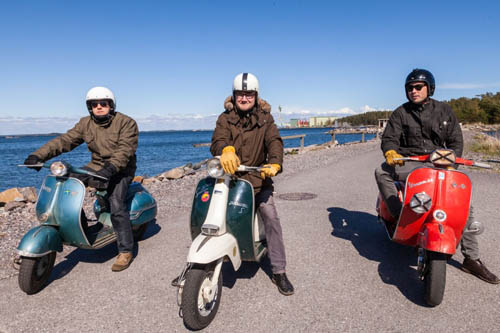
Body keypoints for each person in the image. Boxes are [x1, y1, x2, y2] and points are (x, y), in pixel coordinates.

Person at [375, 68, 499, 284]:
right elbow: (389, 138)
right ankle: (399, 215)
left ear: (429, 88)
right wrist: (391, 152)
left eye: (418, 87)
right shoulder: (400, 113)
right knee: (381, 171)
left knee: (463, 205)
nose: (413, 91)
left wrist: (451, 162)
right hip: (410, 162)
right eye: (410, 88)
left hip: (439, 163)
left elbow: (455, 142)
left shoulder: (444, 111)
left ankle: (471, 258)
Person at [24, 86, 139, 272]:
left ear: (111, 105)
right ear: (89, 107)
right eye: (95, 104)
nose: (99, 107)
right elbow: (65, 141)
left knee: (116, 204)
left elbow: (126, 150)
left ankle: (125, 250)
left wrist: (111, 168)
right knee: (66, 183)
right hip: (96, 167)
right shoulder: (85, 123)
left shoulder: (126, 122)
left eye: (104, 103)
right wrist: (38, 156)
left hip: (121, 169)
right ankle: (79, 228)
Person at [211, 72, 294, 295]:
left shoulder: (266, 118)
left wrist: (274, 164)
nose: (244, 98)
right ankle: (196, 265)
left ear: (256, 96)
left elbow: (274, 142)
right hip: (230, 180)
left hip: (258, 180)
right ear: (234, 95)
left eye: (249, 94)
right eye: (240, 94)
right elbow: (218, 139)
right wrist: (225, 149)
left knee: (270, 217)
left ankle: (279, 270)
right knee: (208, 211)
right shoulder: (224, 118)